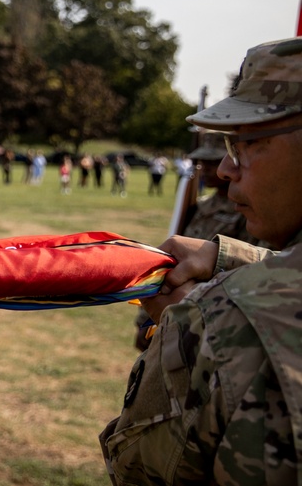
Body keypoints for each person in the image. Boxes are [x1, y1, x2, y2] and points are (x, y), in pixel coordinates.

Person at [101, 36, 302, 484]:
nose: (226, 169)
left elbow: (140, 471)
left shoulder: (220, 322)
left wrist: (202, 321)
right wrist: (228, 259)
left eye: (248, 142)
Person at [132, 131, 264, 351]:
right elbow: (169, 261)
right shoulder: (199, 206)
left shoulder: (250, 215)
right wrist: (144, 320)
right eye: (202, 161)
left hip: (209, 326)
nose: (208, 168)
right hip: (173, 315)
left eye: (212, 161)